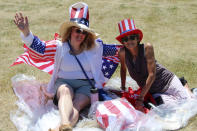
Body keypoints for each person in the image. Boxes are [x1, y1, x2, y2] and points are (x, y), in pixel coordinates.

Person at [14, 2, 106, 131]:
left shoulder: (95, 48)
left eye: (84, 32)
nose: (80, 34)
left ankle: (59, 129)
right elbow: (40, 48)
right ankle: (65, 124)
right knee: (64, 92)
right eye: (77, 30)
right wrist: (26, 32)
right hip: (64, 82)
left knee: (77, 105)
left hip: (86, 85)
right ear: (70, 31)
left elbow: (119, 50)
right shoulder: (59, 47)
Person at [117, 18, 192, 112]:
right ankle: (181, 86)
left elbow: (152, 75)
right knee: (169, 110)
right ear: (122, 42)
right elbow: (123, 69)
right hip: (153, 90)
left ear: (137, 38)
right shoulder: (122, 52)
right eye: (125, 39)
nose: (129, 41)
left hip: (167, 82)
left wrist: (140, 98)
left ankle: (183, 84)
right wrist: (123, 88)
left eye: (132, 37)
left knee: (188, 104)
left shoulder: (147, 47)